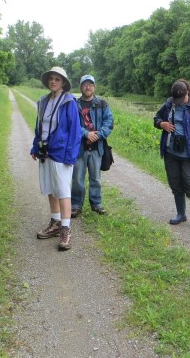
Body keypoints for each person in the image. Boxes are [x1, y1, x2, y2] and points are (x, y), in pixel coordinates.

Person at [31, 66, 81, 251]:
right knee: (51, 189)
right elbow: (40, 127)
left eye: (57, 79)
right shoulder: (43, 101)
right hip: (46, 151)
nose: (53, 81)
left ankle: (66, 229)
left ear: (63, 83)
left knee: (63, 191)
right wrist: (35, 146)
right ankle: (55, 222)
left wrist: (70, 156)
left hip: (61, 153)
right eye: (51, 78)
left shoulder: (69, 103)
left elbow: (75, 132)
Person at [153, 79, 190, 231]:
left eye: (181, 99)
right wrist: (162, 124)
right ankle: (181, 214)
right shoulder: (169, 104)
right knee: (175, 183)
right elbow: (156, 118)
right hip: (171, 151)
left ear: (188, 93)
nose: (178, 102)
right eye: (176, 99)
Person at [70, 74, 114, 217]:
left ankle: (96, 204)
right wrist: (86, 134)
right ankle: (76, 205)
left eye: (90, 84)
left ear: (94, 87)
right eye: (85, 84)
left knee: (96, 178)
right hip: (79, 148)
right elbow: (72, 124)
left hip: (97, 148)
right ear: (81, 87)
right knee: (77, 179)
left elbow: (109, 122)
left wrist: (97, 135)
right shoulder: (74, 105)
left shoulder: (102, 104)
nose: (87, 87)